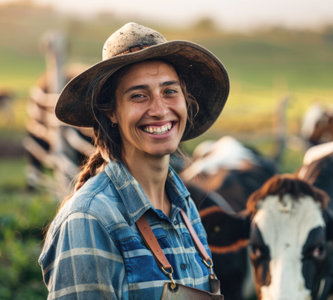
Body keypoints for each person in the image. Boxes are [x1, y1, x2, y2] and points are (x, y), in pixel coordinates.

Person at [38, 22, 229, 299]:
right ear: (112, 112)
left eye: (169, 91)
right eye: (138, 96)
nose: (160, 109)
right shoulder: (90, 219)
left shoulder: (185, 208)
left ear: (186, 100)